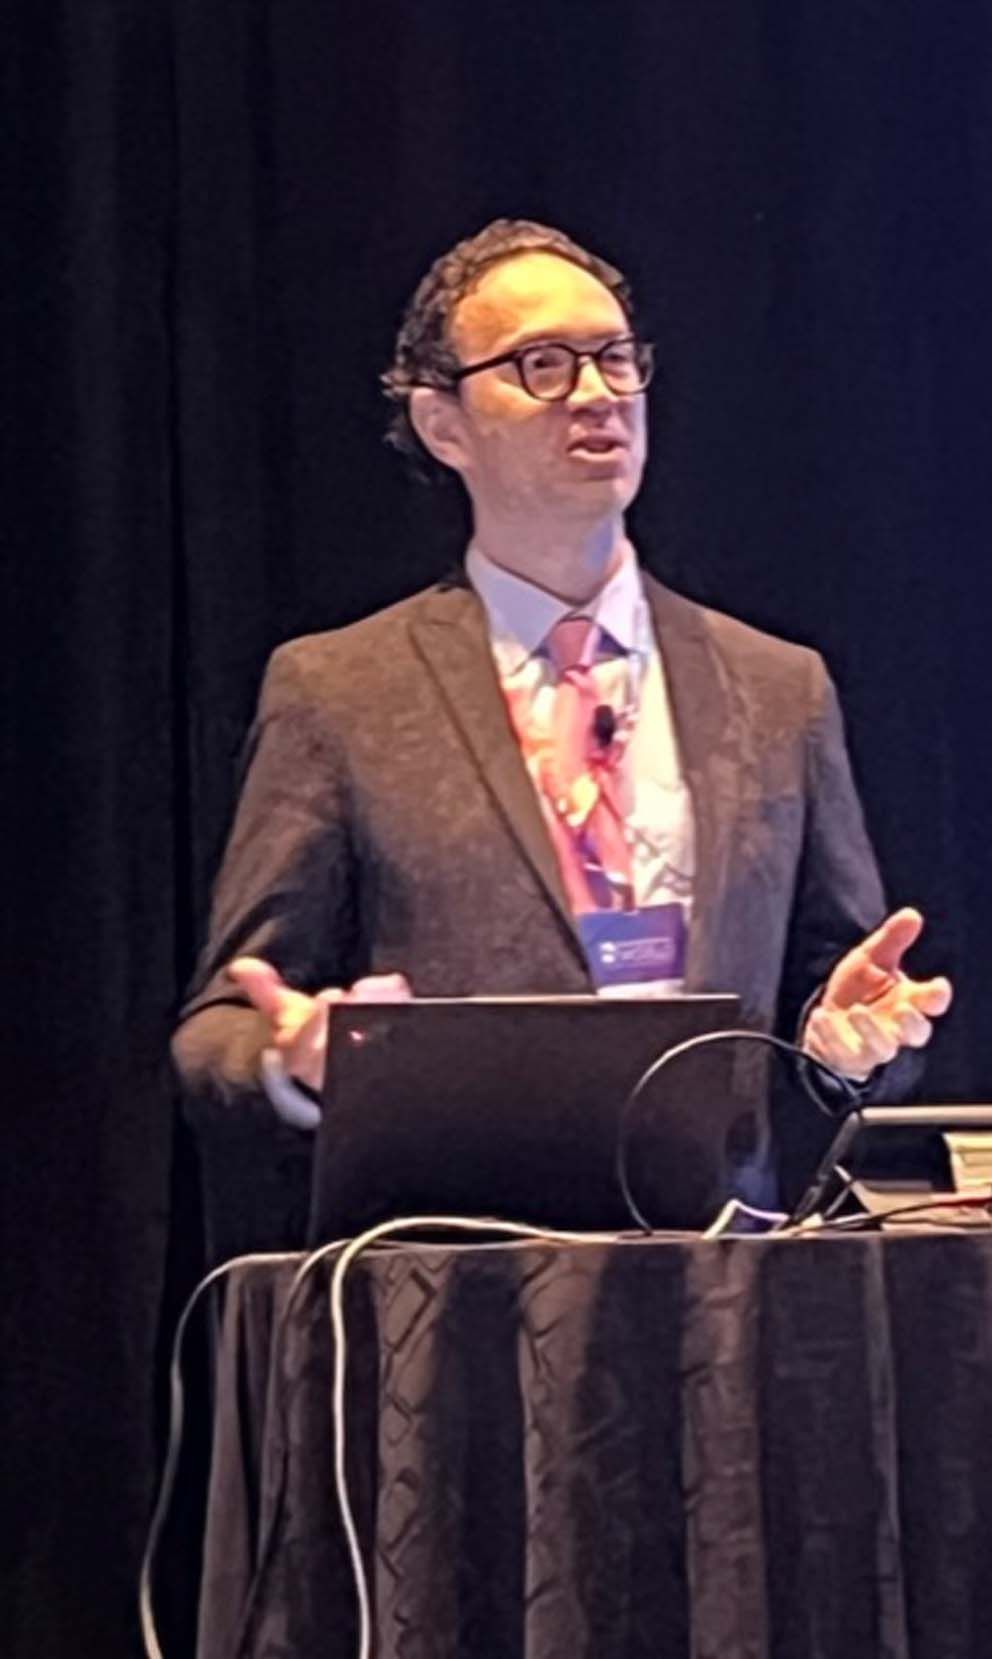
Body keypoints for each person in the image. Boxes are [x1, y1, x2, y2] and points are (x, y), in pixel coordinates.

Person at [172, 219, 952, 1248]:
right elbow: (218, 1031)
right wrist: (298, 1058)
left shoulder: (778, 689)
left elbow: (841, 995)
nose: (595, 393)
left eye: (615, 357)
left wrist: (855, 1043)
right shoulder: (339, 691)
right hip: (452, 1301)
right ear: (443, 425)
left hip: (729, 1290)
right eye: (542, 364)